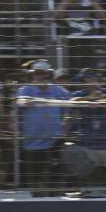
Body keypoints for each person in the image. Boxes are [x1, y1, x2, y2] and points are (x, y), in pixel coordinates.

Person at [15, 60, 72, 194]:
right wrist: (25, 102)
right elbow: (19, 103)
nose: (39, 76)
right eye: (36, 73)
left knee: (55, 179)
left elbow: (70, 108)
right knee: (35, 181)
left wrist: (65, 127)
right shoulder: (25, 90)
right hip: (32, 142)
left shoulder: (58, 90)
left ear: (48, 74)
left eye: (42, 73)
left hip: (54, 141)